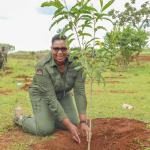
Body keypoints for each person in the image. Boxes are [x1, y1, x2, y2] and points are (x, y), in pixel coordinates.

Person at [14, 34, 90, 143]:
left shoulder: (77, 64)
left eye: (63, 48)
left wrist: (83, 121)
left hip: (63, 94)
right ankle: (20, 118)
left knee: (74, 122)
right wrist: (68, 125)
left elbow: (80, 92)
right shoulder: (42, 66)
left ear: (68, 49)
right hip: (42, 95)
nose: (60, 52)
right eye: (56, 49)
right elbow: (50, 97)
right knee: (45, 129)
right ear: (51, 48)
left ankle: (50, 116)